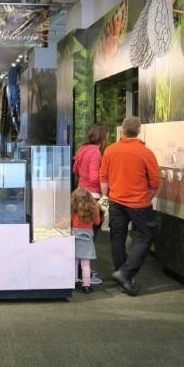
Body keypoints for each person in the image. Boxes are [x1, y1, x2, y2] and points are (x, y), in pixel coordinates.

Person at [99, 116, 160, 296]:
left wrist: (106, 196)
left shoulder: (110, 150)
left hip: (116, 201)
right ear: (139, 130)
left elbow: (103, 177)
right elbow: (154, 182)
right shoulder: (146, 153)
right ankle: (125, 274)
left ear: (122, 131)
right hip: (139, 203)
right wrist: (147, 197)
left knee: (117, 238)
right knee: (147, 235)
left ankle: (123, 278)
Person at [72, 123, 109, 286]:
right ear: (102, 136)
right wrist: (106, 186)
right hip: (92, 196)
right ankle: (84, 271)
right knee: (90, 235)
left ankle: (79, 271)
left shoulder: (83, 149)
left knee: (80, 232)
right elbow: (94, 177)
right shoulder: (95, 152)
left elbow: (75, 169)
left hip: (79, 193)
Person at [69, 187, 101, 294]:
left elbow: (68, 221)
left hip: (75, 239)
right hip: (87, 239)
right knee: (86, 265)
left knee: (74, 262)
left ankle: (73, 282)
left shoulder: (74, 210)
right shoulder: (93, 210)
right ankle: (86, 285)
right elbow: (97, 222)